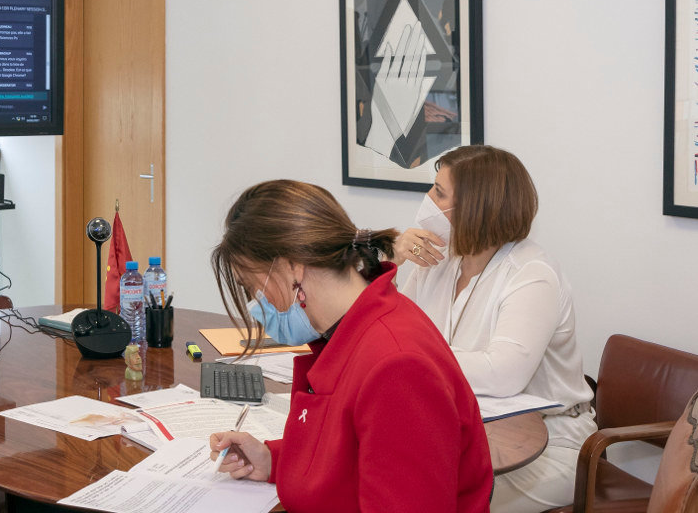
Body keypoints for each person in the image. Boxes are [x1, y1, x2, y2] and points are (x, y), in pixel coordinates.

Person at [208, 179, 492, 513]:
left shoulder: (396, 365)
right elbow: (356, 453)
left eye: (253, 285)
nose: (258, 303)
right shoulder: (349, 332)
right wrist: (273, 459)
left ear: (292, 266)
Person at [392, 145, 596, 512]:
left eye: (439, 192)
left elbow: (502, 375)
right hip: (470, 434)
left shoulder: (532, 273)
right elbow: (390, 333)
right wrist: (392, 260)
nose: (427, 200)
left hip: (549, 446)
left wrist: (414, 357)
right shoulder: (439, 259)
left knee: (429, 499)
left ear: (474, 207)